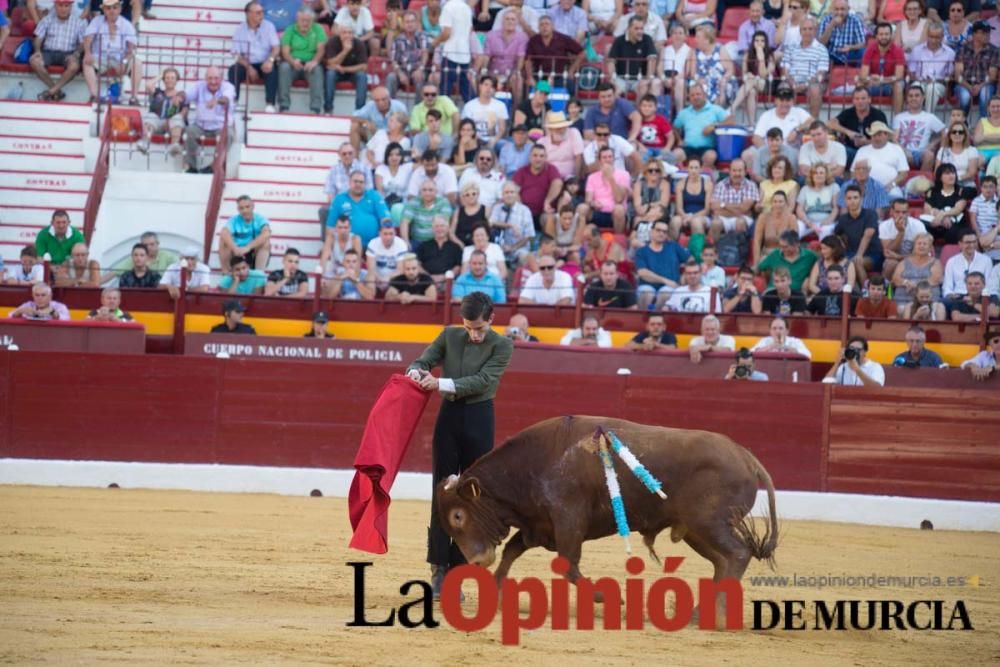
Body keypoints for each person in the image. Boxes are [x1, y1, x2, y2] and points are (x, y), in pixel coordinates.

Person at [406, 291, 513, 599]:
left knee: (473, 498)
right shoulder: (450, 336)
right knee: (442, 493)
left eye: (479, 328)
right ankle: (438, 570)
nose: (474, 334)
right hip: (449, 420)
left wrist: (440, 383)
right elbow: (423, 359)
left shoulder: (502, 345)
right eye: (468, 327)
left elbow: (482, 381)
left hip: (480, 420)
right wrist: (416, 370)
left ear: (491, 319)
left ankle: (456, 570)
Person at [177, 66, 236, 174]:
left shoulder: (228, 87)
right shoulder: (199, 86)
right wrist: (179, 97)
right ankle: (192, 167)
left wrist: (217, 101)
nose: (213, 81)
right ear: (205, 78)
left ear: (221, 78)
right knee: (188, 131)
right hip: (201, 126)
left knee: (229, 134)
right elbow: (186, 94)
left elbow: (226, 99)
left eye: (216, 78)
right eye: (210, 78)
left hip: (221, 126)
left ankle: (214, 166)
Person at [82, 0, 142, 105]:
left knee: (137, 62)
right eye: (108, 8)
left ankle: (134, 97)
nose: (112, 11)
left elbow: (131, 49)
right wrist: (87, 52)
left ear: (120, 9)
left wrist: (124, 62)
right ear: (104, 9)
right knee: (86, 62)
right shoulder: (97, 21)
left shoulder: (126, 24)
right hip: (100, 58)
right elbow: (88, 38)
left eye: (115, 8)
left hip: (120, 59)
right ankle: (95, 96)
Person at [29, 0, 87, 102]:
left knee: (74, 65)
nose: (63, 9)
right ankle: (57, 91)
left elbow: (83, 43)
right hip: (48, 52)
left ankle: (51, 92)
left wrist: (76, 54)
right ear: (55, 6)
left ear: (71, 7)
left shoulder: (79, 22)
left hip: (68, 53)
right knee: (34, 61)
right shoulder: (47, 19)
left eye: (66, 6)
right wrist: (37, 50)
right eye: (60, 5)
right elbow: (38, 38)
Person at [229, 1, 280, 112]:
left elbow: (276, 48)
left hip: (264, 61)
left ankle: (270, 104)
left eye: (262, 12)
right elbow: (235, 53)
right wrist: (249, 67)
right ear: (248, 14)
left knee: (272, 70)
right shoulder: (239, 29)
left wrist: (270, 60)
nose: (261, 15)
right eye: (258, 13)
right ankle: (234, 102)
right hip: (248, 63)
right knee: (234, 69)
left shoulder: (269, 26)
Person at [277, 7, 325, 114]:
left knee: (317, 69)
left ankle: (315, 108)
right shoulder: (290, 30)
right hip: (293, 64)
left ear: (312, 21)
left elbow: (321, 49)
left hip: (310, 64)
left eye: (308, 21)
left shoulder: (318, 29)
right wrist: (292, 61)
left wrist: (314, 61)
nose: (305, 23)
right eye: (302, 20)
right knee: (284, 67)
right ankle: (284, 105)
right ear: (297, 20)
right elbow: (285, 52)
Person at [524, 14, 585, 96]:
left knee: (571, 88)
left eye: (547, 24)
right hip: (540, 76)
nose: (544, 27)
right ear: (538, 28)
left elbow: (581, 53)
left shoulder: (563, 39)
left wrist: (572, 70)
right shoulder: (533, 41)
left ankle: (570, 107)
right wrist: (530, 77)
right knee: (529, 89)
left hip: (559, 76)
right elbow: (528, 60)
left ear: (553, 26)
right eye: (541, 25)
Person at [672, 83, 729, 169]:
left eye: (698, 94)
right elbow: (675, 127)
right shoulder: (684, 112)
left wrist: (714, 126)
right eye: (692, 95)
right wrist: (679, 139)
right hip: (688, 147)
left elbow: (731, 120)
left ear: (704, 95)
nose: (695, 97)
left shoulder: (715, 109)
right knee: (675, 154)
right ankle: (683, 179)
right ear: (689, 98)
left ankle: (703, 179)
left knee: (711, 156)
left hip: (707, 148)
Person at [636, 220, 691, 309]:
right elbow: (642, 273)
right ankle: (644, 321)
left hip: (670, 287)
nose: (661, 234)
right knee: (646, 293)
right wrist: (665, 281)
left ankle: (657, 319)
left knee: (665, 293)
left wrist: (685, 274)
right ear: (651, 231)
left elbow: (690, 260)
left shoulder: (673, 246)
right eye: (658, 230)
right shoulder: (642, 251)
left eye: (664, 232)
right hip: (648, 285)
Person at [330, 170, 392, 249]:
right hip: (348, 247)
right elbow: (330, 226)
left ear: (365, 184)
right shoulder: (339, 199)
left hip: (373, 246)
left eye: (361, 182)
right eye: (355, 181)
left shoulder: (374, 195)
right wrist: (328, 244)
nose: (358, 184)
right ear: (349, 182)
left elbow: (385, 218)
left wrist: (386, 234)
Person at [827, 87, 889, 166]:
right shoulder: (848, 112)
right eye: (857, 99)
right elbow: (830, 124)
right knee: (838, 149)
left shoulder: (878, 115)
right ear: (853, 101)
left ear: (869, 99)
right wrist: (848, 132)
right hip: (851, 151)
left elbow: (885, 141)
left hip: (872, 151)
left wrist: (866, 142)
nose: (860, 102)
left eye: (863, 98)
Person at [834, 184, 881, 283]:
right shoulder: (843, 218)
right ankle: (849, 292)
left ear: (861, 199)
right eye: (849, 198)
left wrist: (859, 254)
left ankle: (865, 291)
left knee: (855, 262)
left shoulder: (870, 214)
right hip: (851, 253)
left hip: (872, 255)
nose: (852, 201)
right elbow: (835, 236)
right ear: (845, 200)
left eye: (855, 197)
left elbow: (867, 235)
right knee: (840, 264)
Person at [892, 85, 946, 170]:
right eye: (910, 96)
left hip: (921, 153)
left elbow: (945, 132)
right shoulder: (899, 117)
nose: (913, 98)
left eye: (917, 95)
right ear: (906, 98)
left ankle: (922, 180)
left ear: (923, 98)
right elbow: (894, 139)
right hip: (902, 151)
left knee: (929, 155)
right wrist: (904, 151)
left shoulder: (929, 117)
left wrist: (933, 143)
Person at [511, 144, 563, 232]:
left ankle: (549, 244)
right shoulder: (522, 171)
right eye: (535, 155)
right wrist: (522, 210)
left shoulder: (551, 169)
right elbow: (513, 190)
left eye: (541, 156)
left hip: (543, 212)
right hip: (524, 213)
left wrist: (548, 201)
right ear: (530, 157)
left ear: (546, 157)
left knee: (549, 218)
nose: (538, 159)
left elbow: (557, 183)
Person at [906, 19, 955, 112]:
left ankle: (928, 117)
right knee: (916, 87)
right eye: (931, 37)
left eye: (937, 37)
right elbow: (911, 72)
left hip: (938, 84)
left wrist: (935, 80)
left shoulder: (950, 53)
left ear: (942, 37)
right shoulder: (917, 50)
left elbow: (949, 76)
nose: (933, 40)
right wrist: (919, 79)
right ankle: (914, 114)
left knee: (931, 88)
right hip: (920, 81)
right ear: (927, 36)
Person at [953, 20, 998, 119]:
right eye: (983, 32)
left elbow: (992, 76)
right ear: (974, 34)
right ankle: (962, 122)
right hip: (964, 83)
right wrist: (969, 87)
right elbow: (957, 75)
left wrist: (979, 86)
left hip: (985, 84)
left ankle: (983, 124)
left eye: (988, 32)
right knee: (965, 97)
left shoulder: (994, 50)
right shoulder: (963, 49)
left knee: (984, 95)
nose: (987, 35)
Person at [137, 67, 186, 155]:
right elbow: (148, 85)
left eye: (172, 78)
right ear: (164, 80)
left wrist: (168, 120)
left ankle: (174, 145)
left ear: (176, 80)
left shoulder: (181, 94)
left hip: (173, 125)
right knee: (151, 116)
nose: (169, 80)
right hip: (158, 123)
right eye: (167, 78)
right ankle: (145, 143)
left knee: (177, 118)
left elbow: (184, 112)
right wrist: (160, 75)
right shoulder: (158, 92)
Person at [859, 22, 906, 114]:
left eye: (886, 34)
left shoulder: (898, 51)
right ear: (876, 36)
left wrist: (881, 80)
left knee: (898, 85)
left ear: (891, 35)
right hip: (874, 83)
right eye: (881, 34)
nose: (884, 37)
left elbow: (899, 76)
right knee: (860, 85)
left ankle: (897, 120)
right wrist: (870, 79)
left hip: (890, 84)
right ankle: (861, 117)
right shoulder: (869, 50)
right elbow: (863, 75)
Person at [608, 15, 658, 99]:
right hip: (621, 78)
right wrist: (612, 78)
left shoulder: (647, 39)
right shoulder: (619, 40)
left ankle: (639, 112)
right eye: (636, 28)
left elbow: (652, 60)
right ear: (629, 28)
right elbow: (611, 61)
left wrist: (648, 79)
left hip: (639, 79)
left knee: (643, 87)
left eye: (641, 28)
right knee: (614, 92)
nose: (640, 31)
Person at [924, 163, 974, 245]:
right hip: (936, 222)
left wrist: (943, 214)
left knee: (953, 232)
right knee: (923, 228)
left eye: (953, 173)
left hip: (955, 224)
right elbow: (927, 209)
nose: (951, 176)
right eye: (947, 173)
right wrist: (941, 217)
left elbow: (958, 209)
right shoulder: (933, 191)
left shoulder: (961, 191)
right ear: (940, 177)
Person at [434, 0, 474, 102]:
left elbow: (447, 33)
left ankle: (443, 115)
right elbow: (469, 30)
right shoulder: (467, 8)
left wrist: (435, 42)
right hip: (464, 53)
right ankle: (473, 113)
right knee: (466, 90)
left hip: (450, 53)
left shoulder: (448, 7)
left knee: (445, 91)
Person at [323, 23, 369, 113]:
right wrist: (345, 51)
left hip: (352, 72)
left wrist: (344, 69)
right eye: (344, 33)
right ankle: (328, 109)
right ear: (339, 34)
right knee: (330, 74)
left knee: (362, 76)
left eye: (350, 33)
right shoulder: (332, 42)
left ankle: (360, 111)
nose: (347, 35)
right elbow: (330, 63)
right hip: (336, 72)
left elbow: (363, 66)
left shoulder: (359, 44)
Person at [219, 195, 272, 272]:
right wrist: (234, 248)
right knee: (223, 241)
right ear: (238, 209)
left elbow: (267, 233)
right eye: (241, 208)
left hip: (253, 251)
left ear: (253, 206)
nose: (245, 210)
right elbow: (224, 232)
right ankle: (226, 272)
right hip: (237, 251)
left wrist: (248, 247)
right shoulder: (234, 220)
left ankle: (259, 274)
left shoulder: (259, 218)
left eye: (247, 207)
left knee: (266, 242)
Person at [585, 146, 631, 234]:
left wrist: (610, 178)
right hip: (597, 210)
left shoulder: (624, 175)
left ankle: (619, 239)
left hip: (615, 213)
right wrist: (592, 203)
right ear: (599, 160)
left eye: (610, 157)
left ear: (614, 159)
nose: (608, 160)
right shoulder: (592, 177)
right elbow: (588, 199)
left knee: (619, 209)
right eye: (604, 157)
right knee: (582, 208)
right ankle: (580, 240)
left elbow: (619, 199)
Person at [490, 181, 536, 267]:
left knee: (524, 257)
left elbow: (529, 236)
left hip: (518, 248)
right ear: (502, 195)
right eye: (506, 192)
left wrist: (512, 248)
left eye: (512, 192)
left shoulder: (524, 210)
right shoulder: (497, 208)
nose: (509, 195)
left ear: (516, 194)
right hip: (499, 248)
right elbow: (491, 223)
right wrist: (510, 225)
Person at [879, 198, 926, 280]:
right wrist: (901, 233)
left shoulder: (918, 226)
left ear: (908, 212)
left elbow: (920, 254)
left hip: (914, 260)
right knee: (890, 264)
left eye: (904, 212)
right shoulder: (884, 226)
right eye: (897, 212)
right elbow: (888, 252)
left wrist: (898, 256)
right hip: (895, 260)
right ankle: (886, 289)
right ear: (891, 212)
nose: (901, 215)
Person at [403, 180, 454, 248]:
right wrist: (406, 241)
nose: (427, 193)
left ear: (436, 192)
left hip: (436, 241)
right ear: (420, 192)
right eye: (424, 190)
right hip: (417, 241)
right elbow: (404, 222)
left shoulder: (443, 203)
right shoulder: (413, 202)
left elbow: (445, 225)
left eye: (430, 190)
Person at [818, 0, 868, 66]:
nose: (839, 12)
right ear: (832, 9)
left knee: (862, 52)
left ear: (848, 9)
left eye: (842, 9)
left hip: (849, 55)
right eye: (836, 9)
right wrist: (831, 25)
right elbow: (821, 44)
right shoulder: (825, 20)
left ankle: (858, 74)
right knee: (819, 53)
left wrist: (850, 47)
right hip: (831, 55)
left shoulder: (855, 20)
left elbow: (862, 43)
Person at [417, 216, 463, 286]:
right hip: (427, 281)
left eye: (442, 226)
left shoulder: (455, 247)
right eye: (436, 226)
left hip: (447, 281)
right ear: (432, 229)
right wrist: (429, 277)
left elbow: (458, 267)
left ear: (448, 228)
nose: (439, 229)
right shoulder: (424, 245)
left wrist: (445, 277)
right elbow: (417, 264)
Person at [936, 121, 981, 188]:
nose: (957, 134)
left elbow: (972, 172)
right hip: (945, 185)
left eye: (961, 132)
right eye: (954, 132)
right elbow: (937, 171)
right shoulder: (942, 150)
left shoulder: (972, 150)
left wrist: (955, 179)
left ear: (965, 135)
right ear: (950, 135)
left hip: (965, 185)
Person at [969, 177, 1000, 262]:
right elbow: (973, 220)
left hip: (995, 231)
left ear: (996, 187)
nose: (988, 189)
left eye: (991, 186)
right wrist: (979, 236)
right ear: (981, 188)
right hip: (981, 231)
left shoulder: (998, 201)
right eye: (985, 187)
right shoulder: (976, 201)